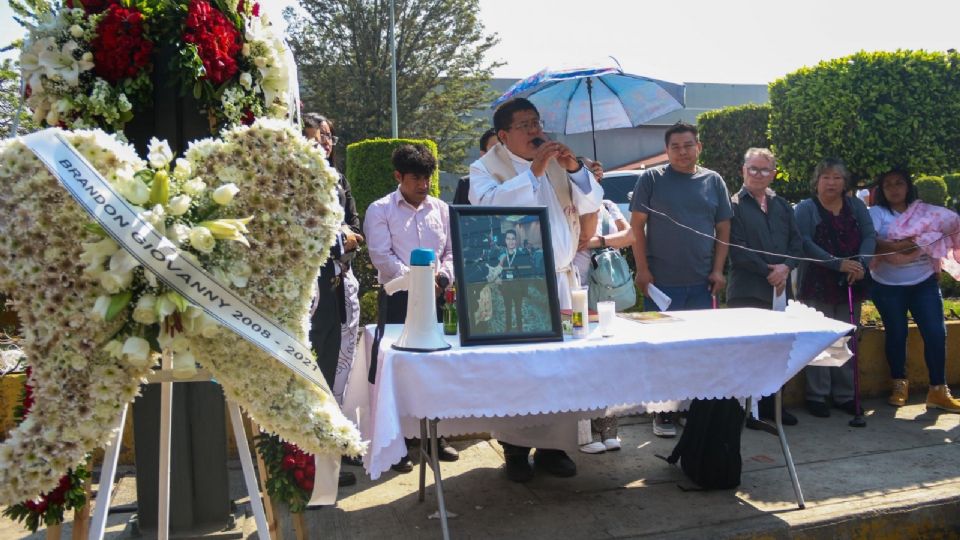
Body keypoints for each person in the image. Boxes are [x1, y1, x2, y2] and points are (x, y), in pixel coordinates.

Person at [469, 97, 603, 483]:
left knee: (562, 369)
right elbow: (489, 207)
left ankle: (554, 448)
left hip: (562, 281)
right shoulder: (485, 168)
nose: (534, 130)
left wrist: (575, 168)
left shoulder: (561, 161)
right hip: (518, 285)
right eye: (525, 125)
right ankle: (514, 450)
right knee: (520, 371)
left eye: (536, 122)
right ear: (503, 135)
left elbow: (591, 200)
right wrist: (535, 172)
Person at [629, 121, 733, 438]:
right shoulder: (652, 179)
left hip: (702, 282)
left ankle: (691, 408)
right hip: (661, 284)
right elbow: (637, 228)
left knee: (699, 349)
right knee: (661, 350)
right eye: (675, 146)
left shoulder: (713, 181)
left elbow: (724, 230)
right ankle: (662, 412)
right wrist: (642, 269)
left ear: (698, 147)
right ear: (667, 150)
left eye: (688, 145)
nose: (682, 152)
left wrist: (718, 270)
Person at [363, 143, 459, 470]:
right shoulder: (380, 210)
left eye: (428, 177)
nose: (424, 185)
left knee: (434, 368)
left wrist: (441, 280)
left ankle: (435, 438)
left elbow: (450, 253)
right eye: (416, 178)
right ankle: (397, 444)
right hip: (398, 297)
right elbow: (381, 256)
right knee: (398, 372)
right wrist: (417, 280)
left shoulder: (441, 209)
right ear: (398, 176)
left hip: (438, 296)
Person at [869, 169, 960, 412]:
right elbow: (875, 240)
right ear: (881, 190)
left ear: (908, 186)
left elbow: (945, 228)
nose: (895, 189)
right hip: (888, 286)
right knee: (897, 333)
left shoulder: (925, 211)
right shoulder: (877, 213)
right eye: (888, 185)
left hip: (924, 282)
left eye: (899, 183)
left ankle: (938, 390)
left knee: (935, 333)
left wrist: (910, 244)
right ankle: (899, 384)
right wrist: (913, 242)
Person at [304, 112, 362, 487]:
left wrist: (342, 237)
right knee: (312, 374)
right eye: (316, 137)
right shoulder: (294, 180)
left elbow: (355, 229)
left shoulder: (339, 180)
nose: (324, 143)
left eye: (328, 137)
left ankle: (331, 451)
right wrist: (337, 238)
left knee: (334, 371)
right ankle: (311, 461)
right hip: (310, 290)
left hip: (338, 287)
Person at [726, 148, 803, 428]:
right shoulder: (732, 204)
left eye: (765, 169)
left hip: (781, 290)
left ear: (773, 173)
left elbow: (797, 244)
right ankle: (748, 410)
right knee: (749, 353)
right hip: (748, 290)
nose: (758, 174)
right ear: (743, 171)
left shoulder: (782, 205)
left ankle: (773, 406)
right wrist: (768, 271)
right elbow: (736, 248)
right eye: (753, 169)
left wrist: (786, 267)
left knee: (778, 352)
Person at [794, 158, 876, 418]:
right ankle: (817, 395)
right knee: (820, 337)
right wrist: (838, 264)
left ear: (845, 183)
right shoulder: (806, 208)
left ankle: (845, 395)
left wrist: (860, 265)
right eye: (825, 177)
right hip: (818, 281)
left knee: (845, 337)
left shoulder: (856, 206)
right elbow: (804, 242)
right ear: (816, 182)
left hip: (851, 279)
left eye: (837, 178)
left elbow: (869, 235)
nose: (831, 182)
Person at [573, 199, 632, 453]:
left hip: (606, 293)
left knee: (608, 362)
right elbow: (578, 240)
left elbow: (629, 235)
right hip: (576, 292)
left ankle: (609, 427)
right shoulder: (568, 205)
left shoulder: (607, 205)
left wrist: (600, 242)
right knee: (581, 364)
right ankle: (584, 433)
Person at [493, 229, 533, 332]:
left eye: (513, 239)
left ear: (516, 241)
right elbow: (496, 271)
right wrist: (498, 278)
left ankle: (520, 330)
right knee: (507, 310)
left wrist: (524, 288)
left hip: (518, 288)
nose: (511, 241)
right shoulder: (501, 255)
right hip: (506, 288)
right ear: (505, 240)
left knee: (518, 310)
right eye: (508, 239)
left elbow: (526, 273)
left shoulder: (522, 254)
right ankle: (508, 330)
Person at [453, 128, 498, 205]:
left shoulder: (518, 180)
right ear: (483, 154)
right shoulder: (467, 184)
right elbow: (459, 215)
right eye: (495, 149)